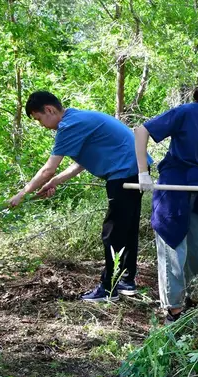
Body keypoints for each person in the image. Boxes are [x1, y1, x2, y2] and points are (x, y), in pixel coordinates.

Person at [8, 91, 148, 302]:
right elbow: (79, 164)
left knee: (113, 233)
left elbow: (48, 169)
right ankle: (126, 281)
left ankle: (108, 289)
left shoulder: (69, 125)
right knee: (126, 229)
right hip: (134, 170)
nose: (42, 125)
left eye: (39, 119)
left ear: (49, 110)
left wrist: (21, 194)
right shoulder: (78, 118)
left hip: (123, 173)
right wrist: (54, 183)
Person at [134, 72, 198, 324]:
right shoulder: (186, 113)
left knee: (195, 251)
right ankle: (174, 310)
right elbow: (141, 131)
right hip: (174, 186)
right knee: (174, 249)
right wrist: (143, 172)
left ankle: (194, 300)